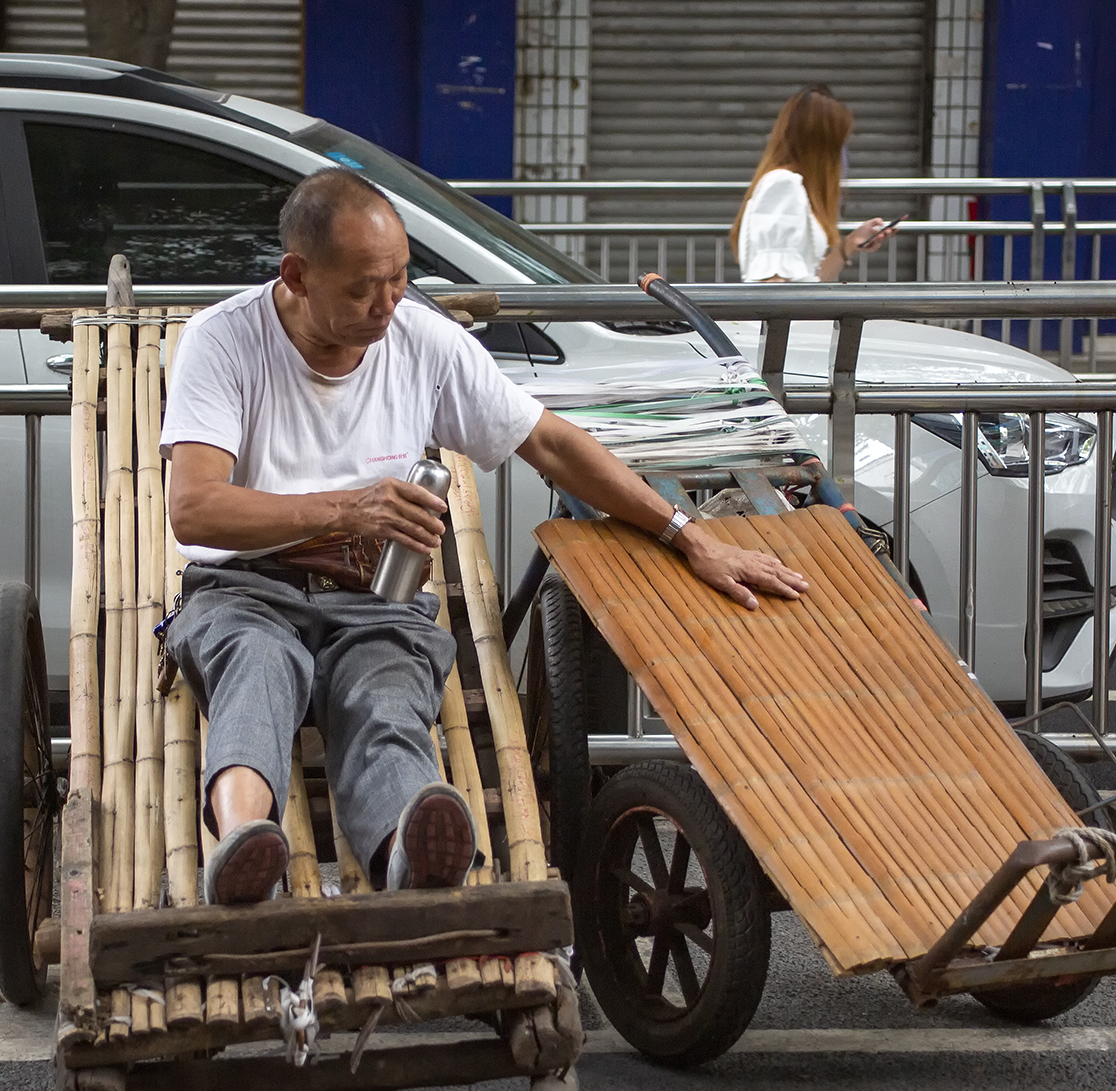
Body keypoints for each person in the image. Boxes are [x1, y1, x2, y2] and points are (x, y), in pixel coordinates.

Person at [162, 169, 810, 906]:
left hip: (376, 600)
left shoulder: (422, 342)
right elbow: (195, 509)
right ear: (297, 275)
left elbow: (554, 445)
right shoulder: (225, 340)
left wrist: (687, 533)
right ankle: (247, 847)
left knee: (387, 698)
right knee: (256, 667)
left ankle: (410, 853)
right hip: (248, 589)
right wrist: (347, 509)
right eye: (363, 288)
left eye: (401, 277)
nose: (388, 303)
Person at [730, 85, 898, 283]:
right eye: (839, 145)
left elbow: (808, 281)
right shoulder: (783, 185)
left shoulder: (790, 186)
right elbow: (774, 287)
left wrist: (850, 245)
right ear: (824, 148)